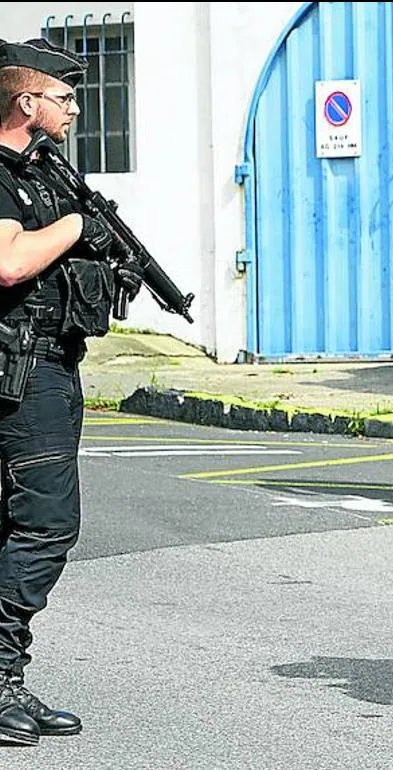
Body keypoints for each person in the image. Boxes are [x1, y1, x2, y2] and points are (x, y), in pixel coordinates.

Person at [0, 38, 140, 745]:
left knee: (18, 525)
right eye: (63, 96)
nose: (76, 107)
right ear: (26, 102)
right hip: (22, 371)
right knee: (45, 525)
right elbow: (8, 261)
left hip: (49, 361)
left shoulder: (49, 175)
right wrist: (80, 227)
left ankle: (7, 676)